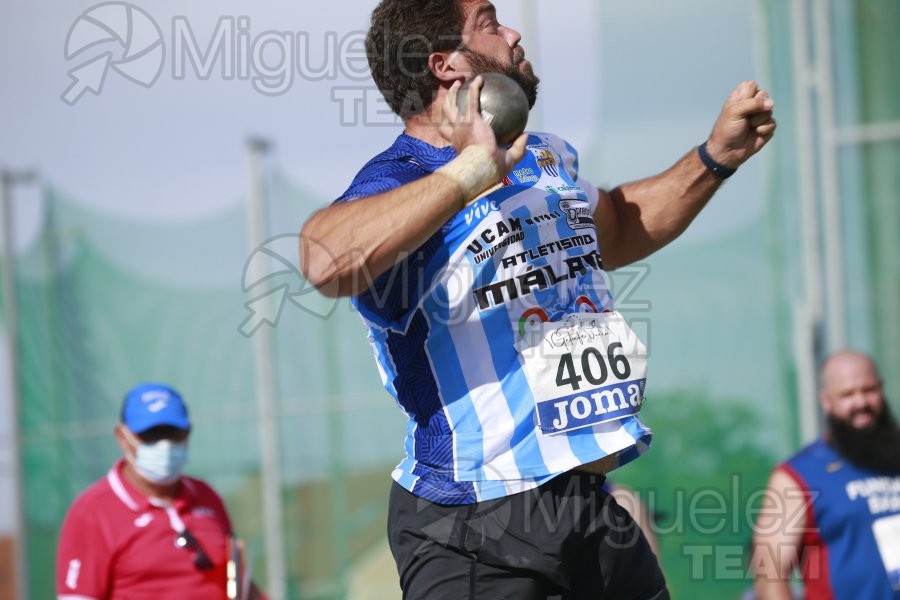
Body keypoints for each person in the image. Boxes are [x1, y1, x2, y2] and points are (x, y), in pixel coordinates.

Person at [300, 1, 776, 597]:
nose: (513, 32)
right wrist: (469, 173)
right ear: (444, 65)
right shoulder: (401, 177)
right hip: (478, 522)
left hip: (586, 504)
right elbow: (323, 258)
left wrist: (714, 158)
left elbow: (622, 227)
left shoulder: (544, 156)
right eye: (490, 22)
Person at [55, 383, 266, 600]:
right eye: (151, 434)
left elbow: (239, 585)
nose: (164, 444)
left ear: (188, 433)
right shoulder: (92, 513)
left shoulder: (207, 497)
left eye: (173, 433)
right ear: (122, 437)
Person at [751, 351, 900, 599]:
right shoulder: (799, 475)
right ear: (826, 400)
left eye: (869, 390)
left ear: (881, 389)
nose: (860, 402)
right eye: (847, 394)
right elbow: (770, 576)